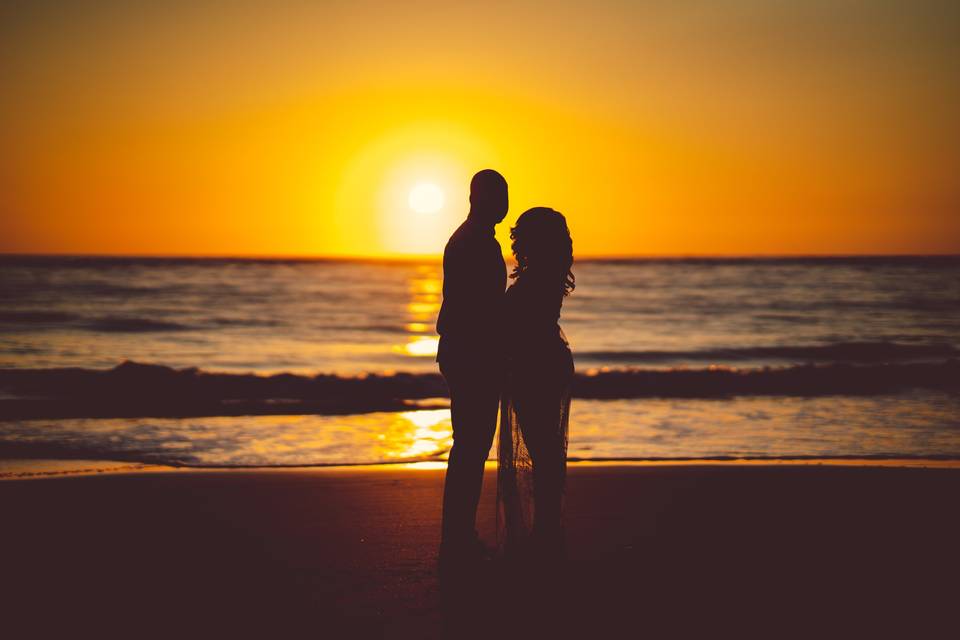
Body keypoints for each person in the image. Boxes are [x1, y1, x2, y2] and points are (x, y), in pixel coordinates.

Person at [436, 169, 509, 563]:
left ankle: (459, 533)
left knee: (471, 445)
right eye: (499, 195)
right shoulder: (473, 241)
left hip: (464, 351)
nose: (504, 204)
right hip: (470, 354)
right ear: (478, 198)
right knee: (470, 446)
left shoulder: (474, 238)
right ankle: (457, 537)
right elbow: (480, 307)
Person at [496, 207, 575, 561]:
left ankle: (544, 531)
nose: (517, 242)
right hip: (548, 362)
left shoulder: (537, 278)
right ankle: (546, 528)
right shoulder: (550, 273)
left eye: (521, 236)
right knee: (546, 449)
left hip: (535, 367)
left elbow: (518, 325)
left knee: (542, 449)